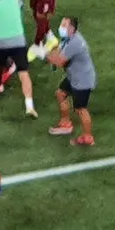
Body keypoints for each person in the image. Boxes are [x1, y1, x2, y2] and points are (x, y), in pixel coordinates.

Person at [36, 17, 97, 145]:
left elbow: (60, 61)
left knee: (80, 109)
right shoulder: (68, 38)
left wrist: (43, 54)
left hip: (82, 81)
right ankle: (66, 123)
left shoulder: (75, 43)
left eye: (64, 25)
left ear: (72, 29)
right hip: (75, 76)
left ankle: (88, 137)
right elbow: (59, 51)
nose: (61, 27)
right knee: (61, 93)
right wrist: (47, 51)